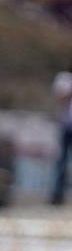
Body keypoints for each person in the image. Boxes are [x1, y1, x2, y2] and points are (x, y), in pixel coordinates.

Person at [52, 62, 72, 205]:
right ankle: (57, 195)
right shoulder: (64, 78)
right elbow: (61, 96)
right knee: (62, 161)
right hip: (67, 124)